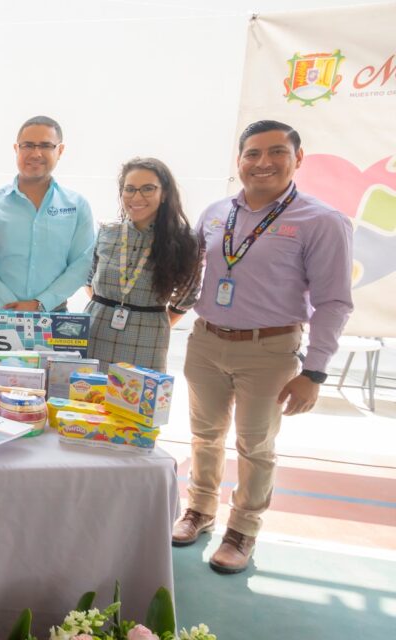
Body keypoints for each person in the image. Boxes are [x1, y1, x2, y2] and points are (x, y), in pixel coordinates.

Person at [172, 120, 353, 575]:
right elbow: (196, 275)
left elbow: (334, 302)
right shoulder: (216, 212)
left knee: (256, 445)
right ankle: (199, 509)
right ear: (239, 161)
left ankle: (243, 529)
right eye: (252, 153)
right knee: (204, 435)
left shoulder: (321, 221)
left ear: (298, 158)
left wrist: (313, 372)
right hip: (207, 340)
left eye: (276, 152)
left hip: (269, 350)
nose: (263, 162)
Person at [84, 158, 201, 371]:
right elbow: (89, 278)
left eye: (148, 188)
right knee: (88, 399)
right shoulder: (108, 231)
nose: (137, 197)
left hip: (148, 339)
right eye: (129, 189)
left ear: (164, 193)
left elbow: (186, 297)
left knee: (139, 402)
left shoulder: (184, 239)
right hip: (96, 331)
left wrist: (145, 319)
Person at [0, 116, 95, 313]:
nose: (36, 153)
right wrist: (11, 305)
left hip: (53, 316)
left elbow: (82, 264)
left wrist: (40, 304)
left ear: (60, 150)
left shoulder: (77, 206)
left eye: (46, 145)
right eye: (28, 145)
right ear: (16, 149)